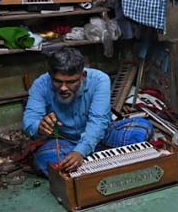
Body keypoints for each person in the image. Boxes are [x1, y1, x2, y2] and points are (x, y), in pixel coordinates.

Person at [23, 48, 153, 177]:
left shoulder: (99, 80)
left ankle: (84, 166)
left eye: (71, 82)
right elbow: (29, 121)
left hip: (102, 135)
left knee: (142, 128)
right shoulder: (40, 84)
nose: (63, 88)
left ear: (83, 76)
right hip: (66, 141)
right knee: (44, 158)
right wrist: (39, 127)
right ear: (50, 75)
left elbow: (98, 121)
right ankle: (108, 159)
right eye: (57, 81)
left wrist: (80, 152)